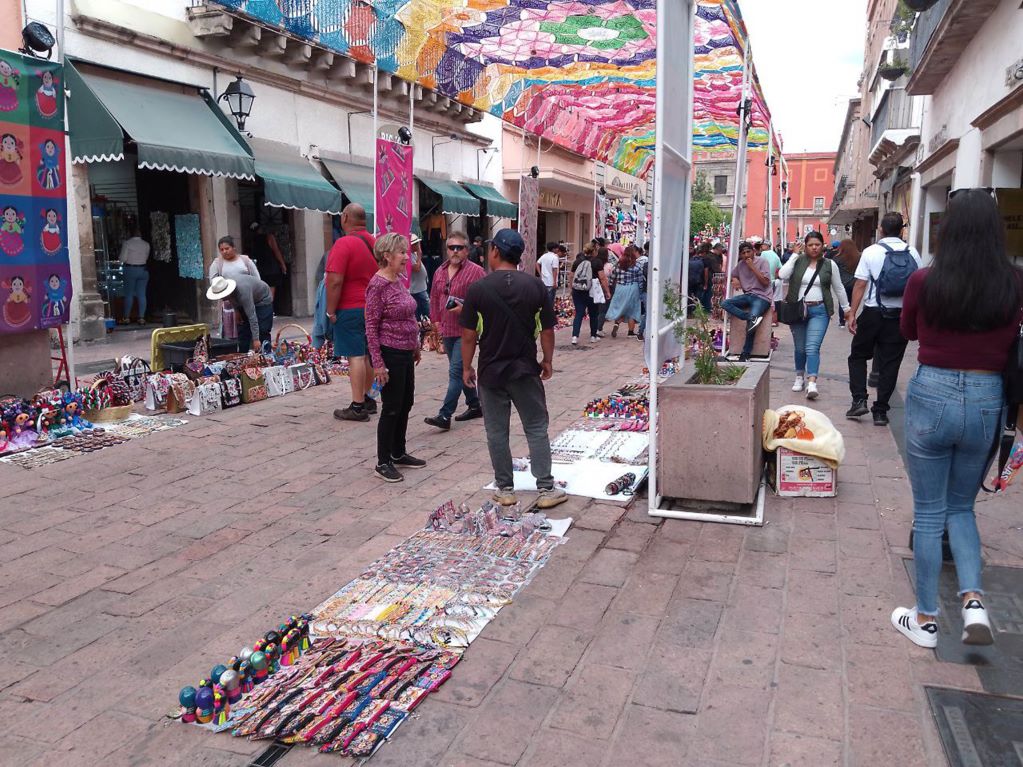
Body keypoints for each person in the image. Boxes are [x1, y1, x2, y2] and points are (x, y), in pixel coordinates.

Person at [891, 188, 1023, 649]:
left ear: (947, 228)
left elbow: (908, 331)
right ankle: (972, 602)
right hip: (989, 396)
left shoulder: (924, 281)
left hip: (933, 390)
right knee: (961, 508)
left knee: (929, 513)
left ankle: (925, 620)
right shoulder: (1014, 283)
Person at [460, 229, 567, 510]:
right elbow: (547, 329)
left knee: (496, 431)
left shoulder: (478, 289)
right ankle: (545, 488)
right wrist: (548, 360)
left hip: (491, 371)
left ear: (495, 251)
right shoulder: (535, 287)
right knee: (536, 427)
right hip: (524, 369)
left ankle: (505, 489)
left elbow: (469, 335)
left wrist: (467, 366)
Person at [845, 213, 922, 426]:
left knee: (858, 356)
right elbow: (918, 286)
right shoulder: (913, 252)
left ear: (881, 229)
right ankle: (880, 411)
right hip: (900, 316)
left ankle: (859, 399)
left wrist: (852, 313)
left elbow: (860, 285)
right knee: (891, 363)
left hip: (873, 312)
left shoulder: (871, 251)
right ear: (901, 230)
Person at [365, 233, 426, 483]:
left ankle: (398, 452)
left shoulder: (397, 280)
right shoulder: (377, 285)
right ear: (387, 256)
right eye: (401, 252)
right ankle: (383, 461)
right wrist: (378, 363)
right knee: (391, 407)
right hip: (389, 352)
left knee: (406, 402)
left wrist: (415, 344)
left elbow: (409, 315)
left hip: (405, 352)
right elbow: (370, 325)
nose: (406, 256)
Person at [778, 231, 851, 400]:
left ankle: (812, 382)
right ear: (805, 246)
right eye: (810, 245)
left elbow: (839, 288)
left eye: (817, 244)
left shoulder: (829, 264)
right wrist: (794, 255)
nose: (814, 248)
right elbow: (782, 275)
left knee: (812, 347)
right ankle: (799, 376)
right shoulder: (798, 261)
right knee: (800, 347)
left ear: (823, 245)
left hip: (819, 310)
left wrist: (846, 309)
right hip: (797, 310)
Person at [425, 231, 486, 430]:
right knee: (461, 370)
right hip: (447, 329)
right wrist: (435, 322)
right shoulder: (440, 271)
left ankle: (444, 415)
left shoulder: (476, 272)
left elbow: (484, 302)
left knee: (456, 372)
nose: (456, 251)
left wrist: (465, 309)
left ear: (467, 250)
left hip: (466, 331)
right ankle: (475, 404)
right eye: (452, 247)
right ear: (447, 249)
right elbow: (434, 298)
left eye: (460, 247)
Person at [325, 204, 378, 422]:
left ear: (345, 217)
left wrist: (330, 311)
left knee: (355, 355)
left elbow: (335, 281)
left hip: (350, 307)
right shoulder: (374, 242)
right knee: (366, 354)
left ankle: (357, 406)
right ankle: (367, 398)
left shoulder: (343, 243)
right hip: (371, 306)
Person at [721, 241, 773, 361]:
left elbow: (765, 282)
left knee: (751, 325)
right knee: (725, 303)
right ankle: (747, 316)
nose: (746, 255)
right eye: (743, 253)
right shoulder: (740, 265)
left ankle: (746, 353)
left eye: (748, 251)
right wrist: (735, 279)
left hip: (762, 296)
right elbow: (731, 275)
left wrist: (752, 267)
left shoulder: (762, 262)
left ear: (753, 251)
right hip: (748, 295)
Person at [207, 274, 273, 352]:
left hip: (263, 299)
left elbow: (252, 316)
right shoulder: (228, 289)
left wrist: (256, 339)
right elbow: (231, 298)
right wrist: (236, 310)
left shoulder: (243, 292)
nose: (221, 298)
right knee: (242, 329)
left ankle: (267, 354)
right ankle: (242, 355)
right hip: (246, 299)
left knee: (263, 330)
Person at [607, 245, 645, 338]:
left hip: (620, 288)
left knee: (621, 307)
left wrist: (611, 286)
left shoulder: (619, 264)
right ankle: (630, 332)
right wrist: (641, 291)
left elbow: (612, 277)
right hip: (633, 288)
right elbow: (640, 280)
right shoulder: (637, 265)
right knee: (632, 310)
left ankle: (617, 323)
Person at [119, 228, 150, 326]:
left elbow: (123, 258)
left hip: (131, 270)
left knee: (129, 294)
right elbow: (146, 257)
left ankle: (126, 317)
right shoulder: (146, 244)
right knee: (142, 294)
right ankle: (141, 318)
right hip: (143, 270)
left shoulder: (127, 243)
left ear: (131, 235)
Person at [569, 244, 600, 344]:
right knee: (593, 314)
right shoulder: (597, 262)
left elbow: (571, 275)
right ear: (594, 251)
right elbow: (602, 277)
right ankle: (593, 336)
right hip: (591, 291)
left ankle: (574, 336)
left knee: (579, 313)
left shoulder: (577, 261)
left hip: (577, 290)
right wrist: (606, 291)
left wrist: (571, 288)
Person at [249, 222, 288, 301]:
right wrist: (283, 264)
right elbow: (276, 251)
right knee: (271, 290)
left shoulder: (252, 241)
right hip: (271, 268)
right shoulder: (269, 237)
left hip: (259, 269)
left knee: (261, 291)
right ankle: (269, 309)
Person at [833, 239, 861, 327]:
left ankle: (842, 322)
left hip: (842, 283)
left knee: (843, 302)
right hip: (855, 283)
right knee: (852, 302)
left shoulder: (837, 258)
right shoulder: (858, 257)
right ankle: (852, 317)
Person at [408, 234, 430, 321]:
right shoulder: (409, 256)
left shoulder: (414, 254)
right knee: (425, 305)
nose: (418, 246)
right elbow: (416, 268)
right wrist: (420, 255)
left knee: (421, 306)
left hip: (421, 286)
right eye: (416, 244)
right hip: (416, 288)